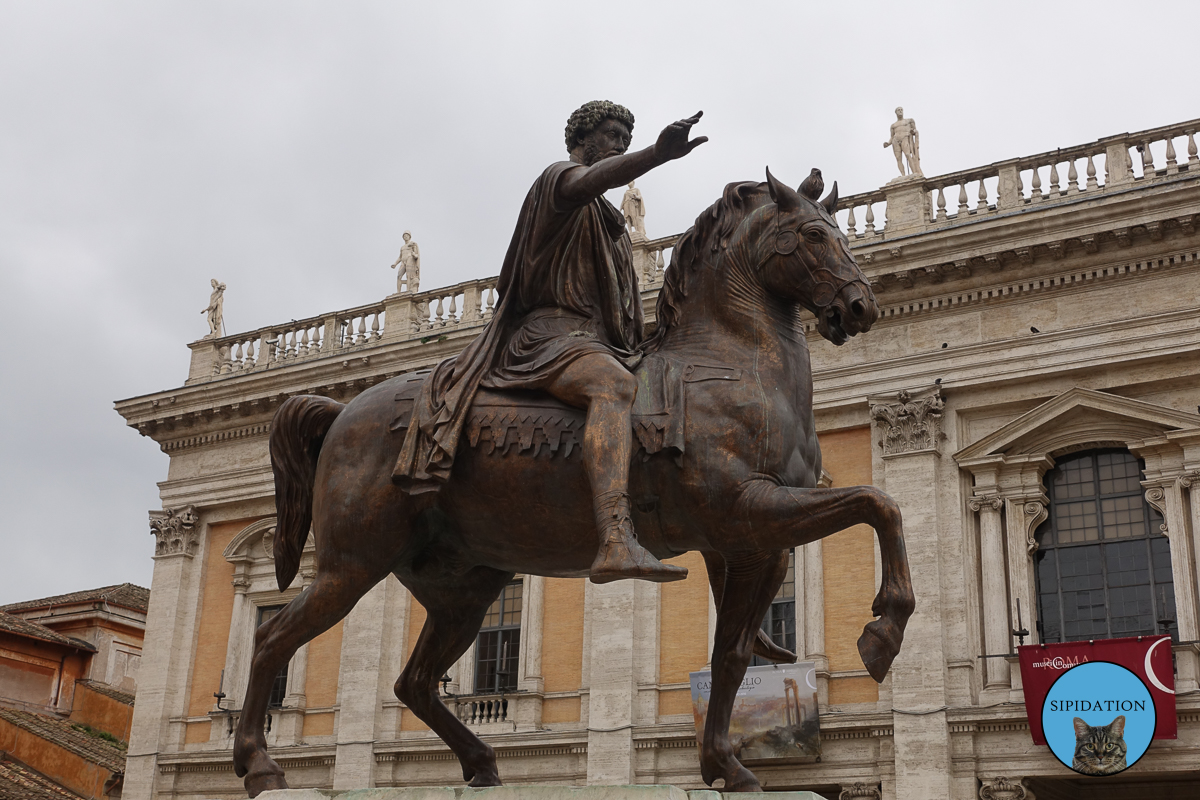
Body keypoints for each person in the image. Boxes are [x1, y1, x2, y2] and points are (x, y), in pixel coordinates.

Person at [394, 100, 707, 583]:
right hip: (548, 337)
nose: (620, 143)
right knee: (613, 388)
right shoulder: (558, 183)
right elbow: (589, 182)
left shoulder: (609, 222)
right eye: (611, 134)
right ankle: (615, 537)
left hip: (597, 341)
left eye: (626, 136)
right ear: (583, 141)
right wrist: (654, 155)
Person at [884, 106, 922, 177]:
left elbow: (914, 130)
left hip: (905, 137)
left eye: (901, 110)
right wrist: (888, 143)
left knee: (908, 155)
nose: (900, 111)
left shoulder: (909, 121)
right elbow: (892, 136)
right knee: (898, 158)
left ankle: (914, 172)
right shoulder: (893, 125)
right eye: (898, 110)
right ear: (896, 113)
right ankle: (903, 175)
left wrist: (912, 131)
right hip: (895, 140)